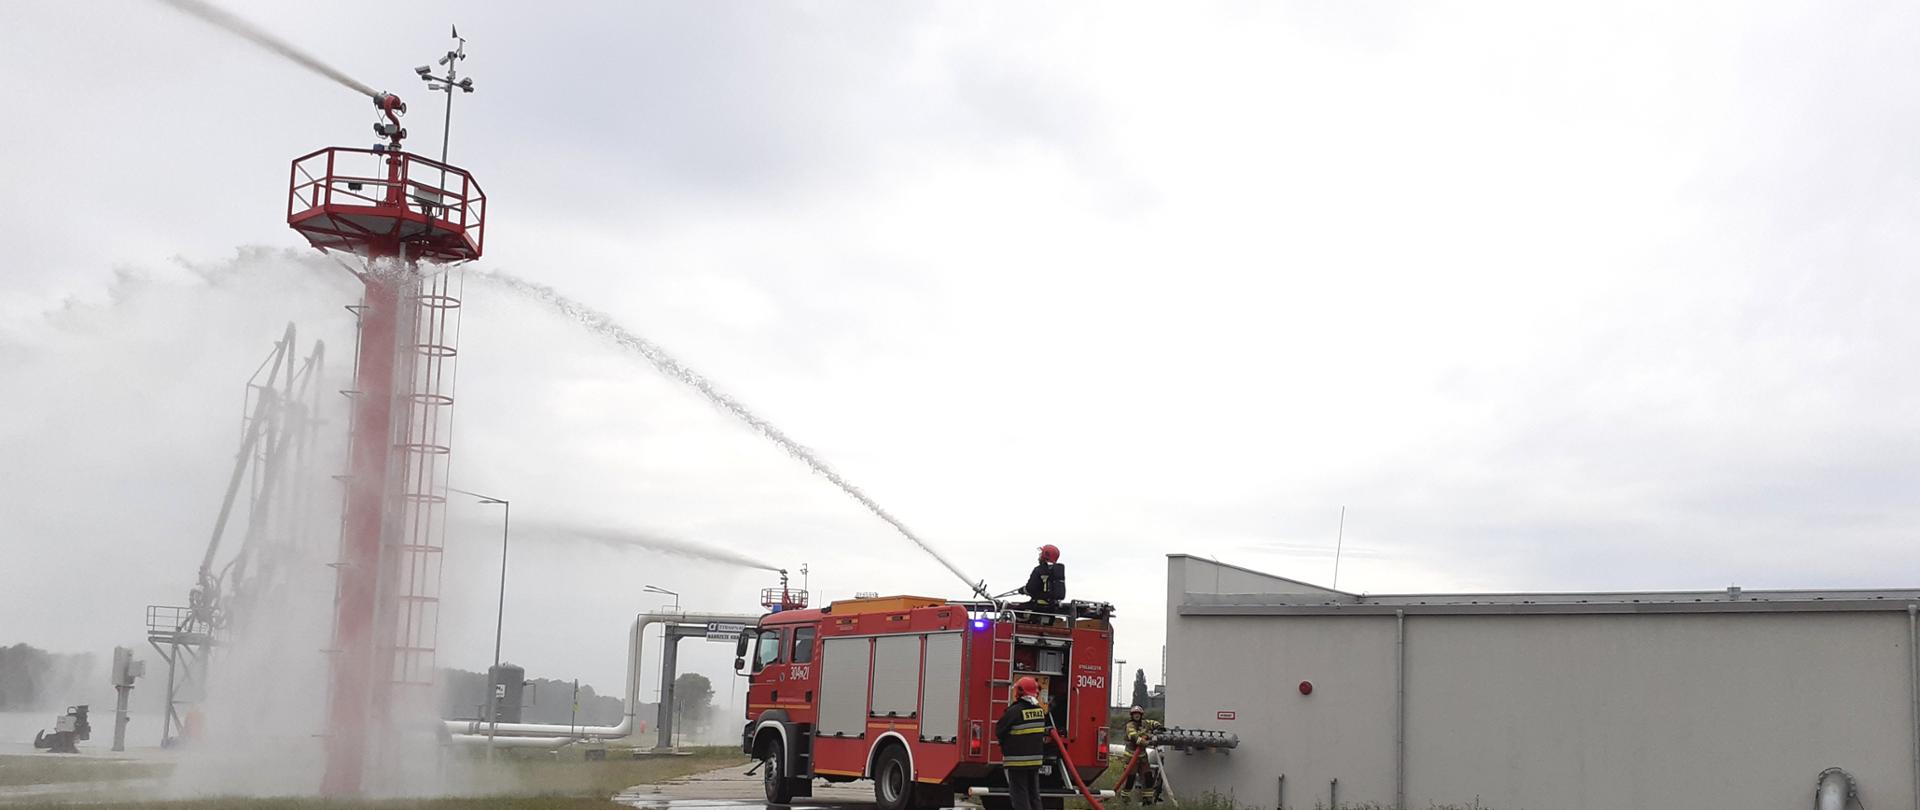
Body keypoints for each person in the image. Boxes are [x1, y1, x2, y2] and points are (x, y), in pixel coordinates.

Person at [995, 676, 1049, 810]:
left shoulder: (1014, 711)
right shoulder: (1040, 711)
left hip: (1017, 762)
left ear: (1020, 691)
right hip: (1034, 762)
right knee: (1034, 795)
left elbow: (999, 730)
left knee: (1020, 796)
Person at [1120, 706, 1162, 803]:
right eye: (1135, 714)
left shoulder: (1144, 723)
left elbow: (1153, 723)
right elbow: (1135, 737)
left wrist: (1159, 727)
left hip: (1142, 757)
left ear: (1141, 715)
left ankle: (1147, 800)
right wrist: (1148, 741)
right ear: (1132, 715)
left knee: (1148, 777)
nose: (1137, 716)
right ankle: (1125, 798)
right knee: (1130, 779)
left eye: (1138, 714)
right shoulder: (1130, 725)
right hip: (1131, 757)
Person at [1018, 545, 1067, 611]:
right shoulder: (1057, 571)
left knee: (1012, 608)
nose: (1039, 555)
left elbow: (1030, 588)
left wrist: (1022, 590)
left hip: (1038, 606)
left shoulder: (1039, 570)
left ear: (1045, 555)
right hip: (1052, 607)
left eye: (1041, 553)